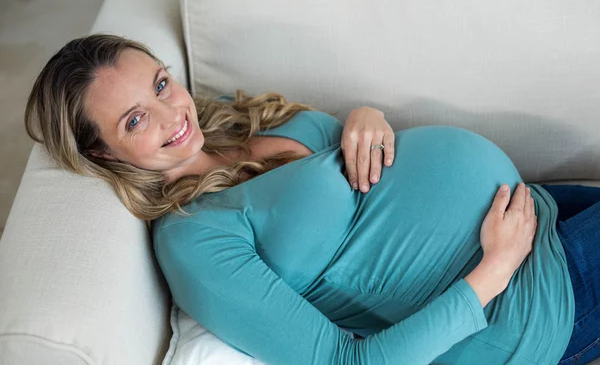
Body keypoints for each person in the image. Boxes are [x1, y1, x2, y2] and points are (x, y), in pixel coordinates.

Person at [24, 33, 599, 365]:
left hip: (532, 209)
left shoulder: (223, 116)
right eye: (135, 120)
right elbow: (340, 363)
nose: (174, 113)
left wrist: (366, 117)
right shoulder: (193, 236)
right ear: (103, 155)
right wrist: (493, 272)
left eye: (160, 84)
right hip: (527, 301)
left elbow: (354, 163)